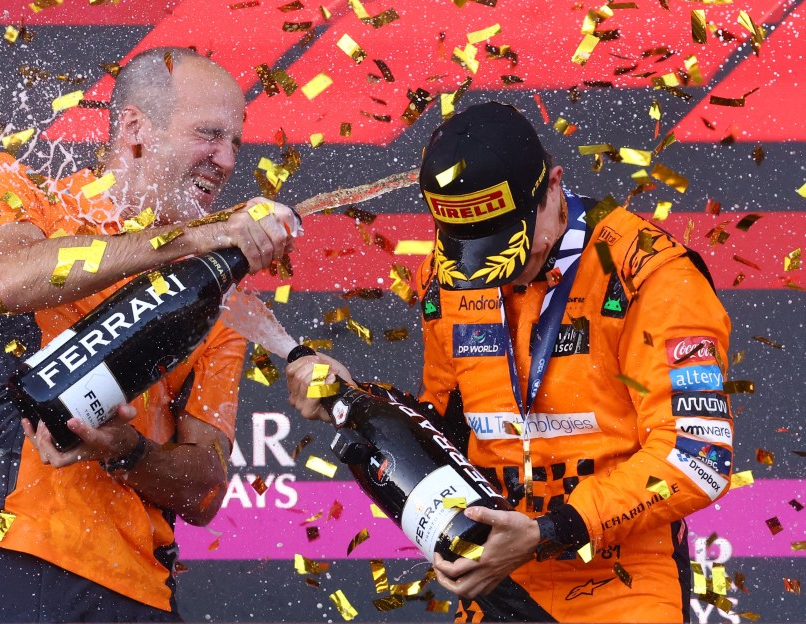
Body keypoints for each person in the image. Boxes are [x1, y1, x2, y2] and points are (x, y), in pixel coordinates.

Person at [0, 47, 298, 622]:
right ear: (135, 128)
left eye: (235, 145)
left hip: (134, 595)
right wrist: (191, 240)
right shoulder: (16, 189)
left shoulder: (215, 298)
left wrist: (128, 451)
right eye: (208, 135)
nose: (224, 160)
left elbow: (206, 489)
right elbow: (6, 279)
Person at [286, 102, 733, 623]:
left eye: (514, 249)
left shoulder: (648, 274)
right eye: (472, 252)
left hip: (623, 586)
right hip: (497, 580)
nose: (496, 272)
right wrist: (351, 400)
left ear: (554, 187)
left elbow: (698, 458)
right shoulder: (447, 275)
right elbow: (445, 429)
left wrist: (548, 531)